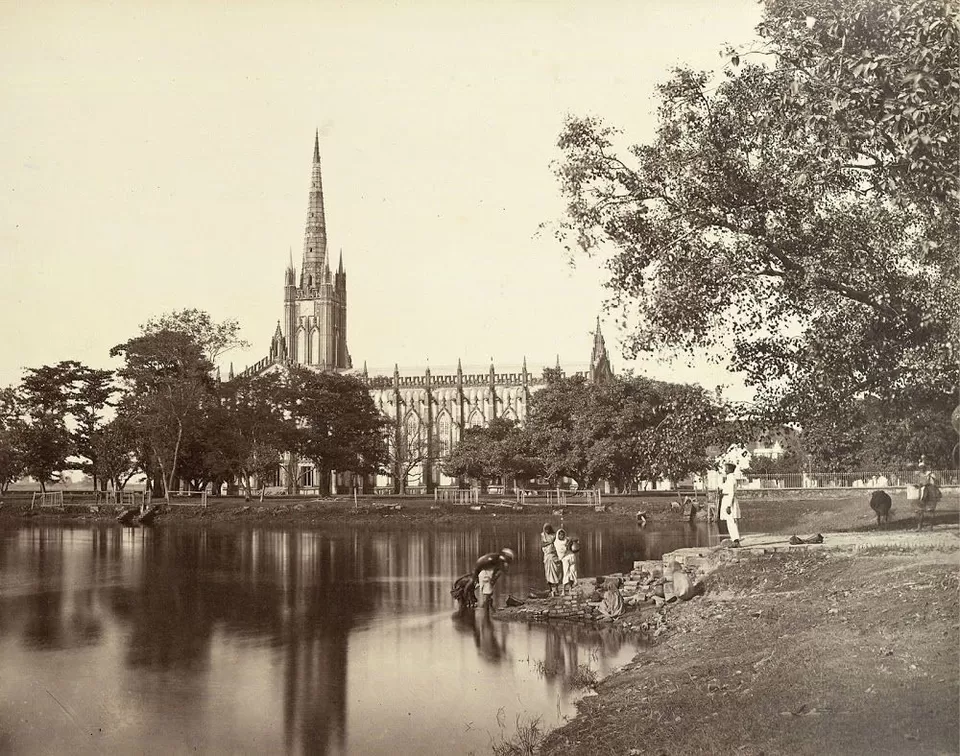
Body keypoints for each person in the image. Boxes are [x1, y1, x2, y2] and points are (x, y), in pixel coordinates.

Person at [718, 462, 741, 547]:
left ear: (730, 469)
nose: (725, 470)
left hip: (729, 501)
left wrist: (728, 506)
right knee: (729, 521)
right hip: (726, 499)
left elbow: (731, 492)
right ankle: (734, 539)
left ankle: (736, 540)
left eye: (726, 468)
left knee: (732, 521)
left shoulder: (731, 479)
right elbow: (723, 487)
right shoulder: (728, 478)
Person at [541, 524, 562, 595]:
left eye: (548, 530)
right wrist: (550, 542)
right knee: (548, 573)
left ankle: (556, 589)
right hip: (547, 556)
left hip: (554, 556)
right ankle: (550, 589)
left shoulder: (555, 535)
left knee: (556, 572)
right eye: (545, 530)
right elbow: (542, 544)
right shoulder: (543, 535)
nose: (547, 531)